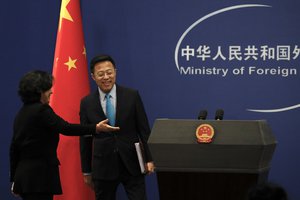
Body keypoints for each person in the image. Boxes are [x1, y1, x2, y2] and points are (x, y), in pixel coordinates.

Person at [9, 70, 119, 200]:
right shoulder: (41, 110)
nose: (51, 91)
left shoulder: (21, 113)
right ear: (39, 91)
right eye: (48, 88)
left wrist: (15, 179)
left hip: (24, 178)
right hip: (40, 177)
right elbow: (66, 128)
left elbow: (14, 148)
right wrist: (96, 128)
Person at [79, 54, 155, 200]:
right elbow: (85, 138)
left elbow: (144, 130)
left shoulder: (131, 95)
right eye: (101, 74)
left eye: (109, 72)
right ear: (93, 77)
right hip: (103, 166)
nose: (106, 77)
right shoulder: (87, 103)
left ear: (115, 72)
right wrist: (86, 171)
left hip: (132, 162)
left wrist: (149, 159)